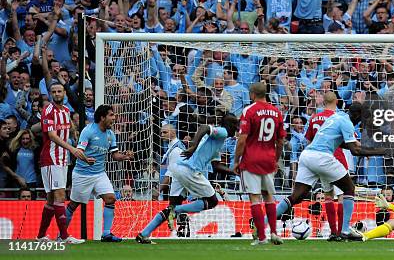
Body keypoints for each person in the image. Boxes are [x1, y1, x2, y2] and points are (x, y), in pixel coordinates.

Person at [275, 101, 385, 241]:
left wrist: (367, 147)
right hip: (323, 158)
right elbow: (355, 150)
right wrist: (381, 151)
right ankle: (345, 230)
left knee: (297, 196)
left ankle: (265, 223)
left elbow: (343, 143)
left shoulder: (336, 116)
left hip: (307, 156)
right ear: (357, 115)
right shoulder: (347, 123)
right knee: (349, 188)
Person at [136, 114, 239, 244]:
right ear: (229, 124)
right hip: (190, 170)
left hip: (180, 168)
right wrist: (193, 147)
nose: (237, 127)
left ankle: (144, 234)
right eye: (235, 124)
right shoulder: (223, 132)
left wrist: (234, 171)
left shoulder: (216, 141)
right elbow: (204, 127)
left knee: (172, 206)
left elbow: (216, 166)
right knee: (212, 201)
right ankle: (176, 210)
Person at [64, 104, 134, 242]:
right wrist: (86, 159)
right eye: (111, 115)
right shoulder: (88, 131)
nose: (114, 118)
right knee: (73, 205)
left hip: (99, 173)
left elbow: (115, 155)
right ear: (102, 117)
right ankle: (62, 234)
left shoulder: (110, 134)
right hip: (83, 174)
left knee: (110, 199)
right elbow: (79, 152)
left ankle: (106, 234)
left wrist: (125, 156)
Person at [36, 82, 91, 244]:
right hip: (51, 158)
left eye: (60, 91)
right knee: (59, 195)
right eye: (54, 91)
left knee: (51, 199)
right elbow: (52, 136)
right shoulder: (48, 110)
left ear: (64, 93)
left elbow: (69, 129)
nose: (57, 94)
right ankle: (64, 237)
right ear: (51, 94)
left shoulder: (66, 111)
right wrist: (72, 149)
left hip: (62, 159)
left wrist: (76, 141)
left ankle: (40, 236)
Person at [233, 82, 285, 245]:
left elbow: (242, 140)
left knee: (255, 198)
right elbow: (281, 141)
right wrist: (275, 160)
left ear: (252, 94)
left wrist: (236, 160)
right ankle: (275, 233)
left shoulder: (249, 111)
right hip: (269, 159)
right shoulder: (276, 112)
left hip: (251, 160)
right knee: (268, 196)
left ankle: (262, 237)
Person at [303, 92, 347, 241]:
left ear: (323, 102)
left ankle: (333, 232)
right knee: (342, 196)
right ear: (336, 101)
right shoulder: (339, 118)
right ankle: (342, 231)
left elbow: (309, 141)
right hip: (337, 159)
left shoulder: (314, 118)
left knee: (328, 195)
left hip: (319, 161)